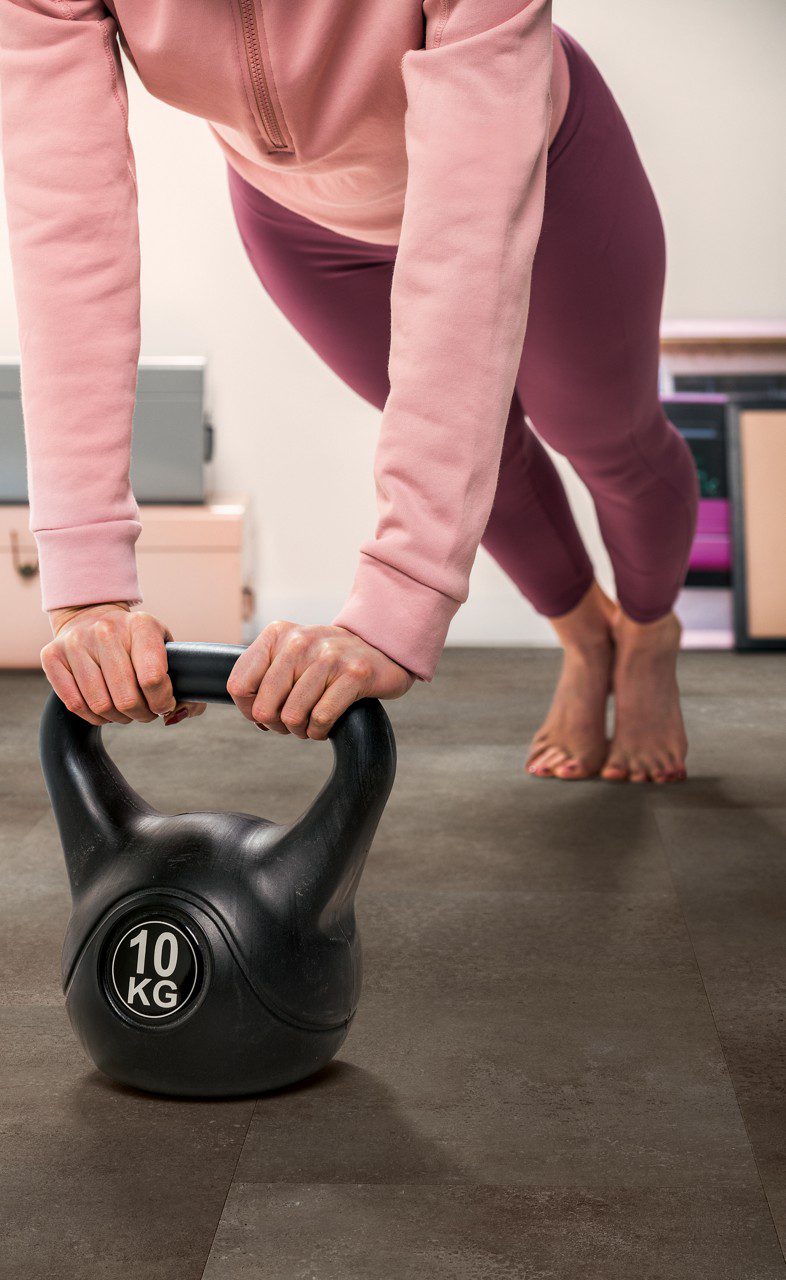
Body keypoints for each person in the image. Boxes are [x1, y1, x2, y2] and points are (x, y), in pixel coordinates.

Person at [0, 0, 698, 783]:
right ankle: (585, 636)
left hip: (538, 164)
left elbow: (467, 235)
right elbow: (65, 218)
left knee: (609, 437)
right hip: (304, 220)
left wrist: (399, 600)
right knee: (489, 466)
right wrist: (86, 583)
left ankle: (647, 631)